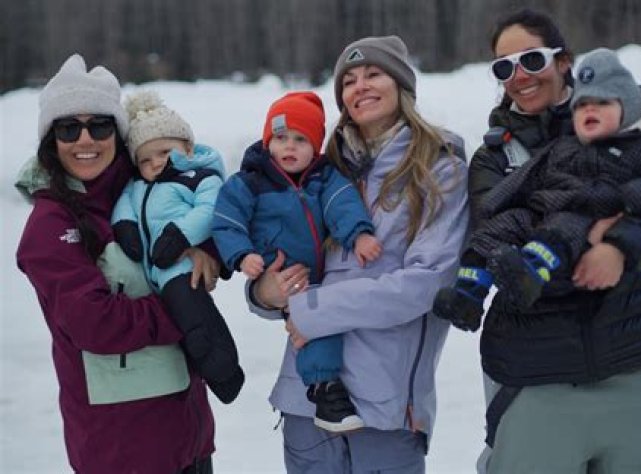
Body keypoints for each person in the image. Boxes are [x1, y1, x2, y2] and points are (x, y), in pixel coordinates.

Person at [443, 9, 641, 473]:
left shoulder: (622, 125)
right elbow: (497, 245)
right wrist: (578, 247)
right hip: (535, 373)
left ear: (563, 61)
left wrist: (618, 249)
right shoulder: (493, 159)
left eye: (531, 59)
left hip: (633, 357)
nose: (519, 76)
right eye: (504, 67)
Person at [242, 36, 468, 473]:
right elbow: (278, 259)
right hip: (306, 399)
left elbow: (427, 284)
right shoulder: (318, 170)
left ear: (401, 85)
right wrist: (264, 292)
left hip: (385, 405)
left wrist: (312, 308)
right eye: (348, 81)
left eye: (373, 74)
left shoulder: (439, 169)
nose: (360, 86)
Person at [15, 54, 216, 473]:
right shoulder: (51, 223)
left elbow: (200, 215)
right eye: (68, 128)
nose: (85, 139)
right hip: (122, 449)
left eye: (100, 125)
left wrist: (205, 253)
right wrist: (185, 309)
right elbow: (95, 323)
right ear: (51, 140)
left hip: (188, 433)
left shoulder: (144, 187)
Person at [433, 47, 641, 320]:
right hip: (542, 210)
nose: (590, 108)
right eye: (581, 105)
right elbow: (532, 173)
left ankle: (530, 274)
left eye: (603, 102)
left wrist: (628, 199)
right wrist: (497, 200)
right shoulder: (565, 145)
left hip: (584, 212)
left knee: (563, 225)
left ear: (627, 109)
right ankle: (468, 294)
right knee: (500, 227)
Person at [212, 90, 381, 431]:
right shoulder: (251, 182)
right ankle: (324, 389)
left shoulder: (324, 178)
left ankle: (327, 388)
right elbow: (227, 220)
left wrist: (359, 234)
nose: (289, 147)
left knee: (319, 322)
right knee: (317, 328)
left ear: (315, 146)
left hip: (322, 275)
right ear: (267, 142)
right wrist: (242, 255)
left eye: (301, 140)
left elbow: (342, 204)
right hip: (282, 272)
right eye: (281, 138)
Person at [112, 90, 245, 404]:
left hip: (180, 263)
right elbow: (123, 204)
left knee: (195, 320)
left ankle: (225, 373)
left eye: (164, 152)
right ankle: (208, 369)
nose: (155, 163)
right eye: (145, 160)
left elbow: (209, 210)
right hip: (150, 272)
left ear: (187, 147)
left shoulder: (199, 178)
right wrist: (125, 226)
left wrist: (180, 236)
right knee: (181, 332)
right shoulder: (137, 186)